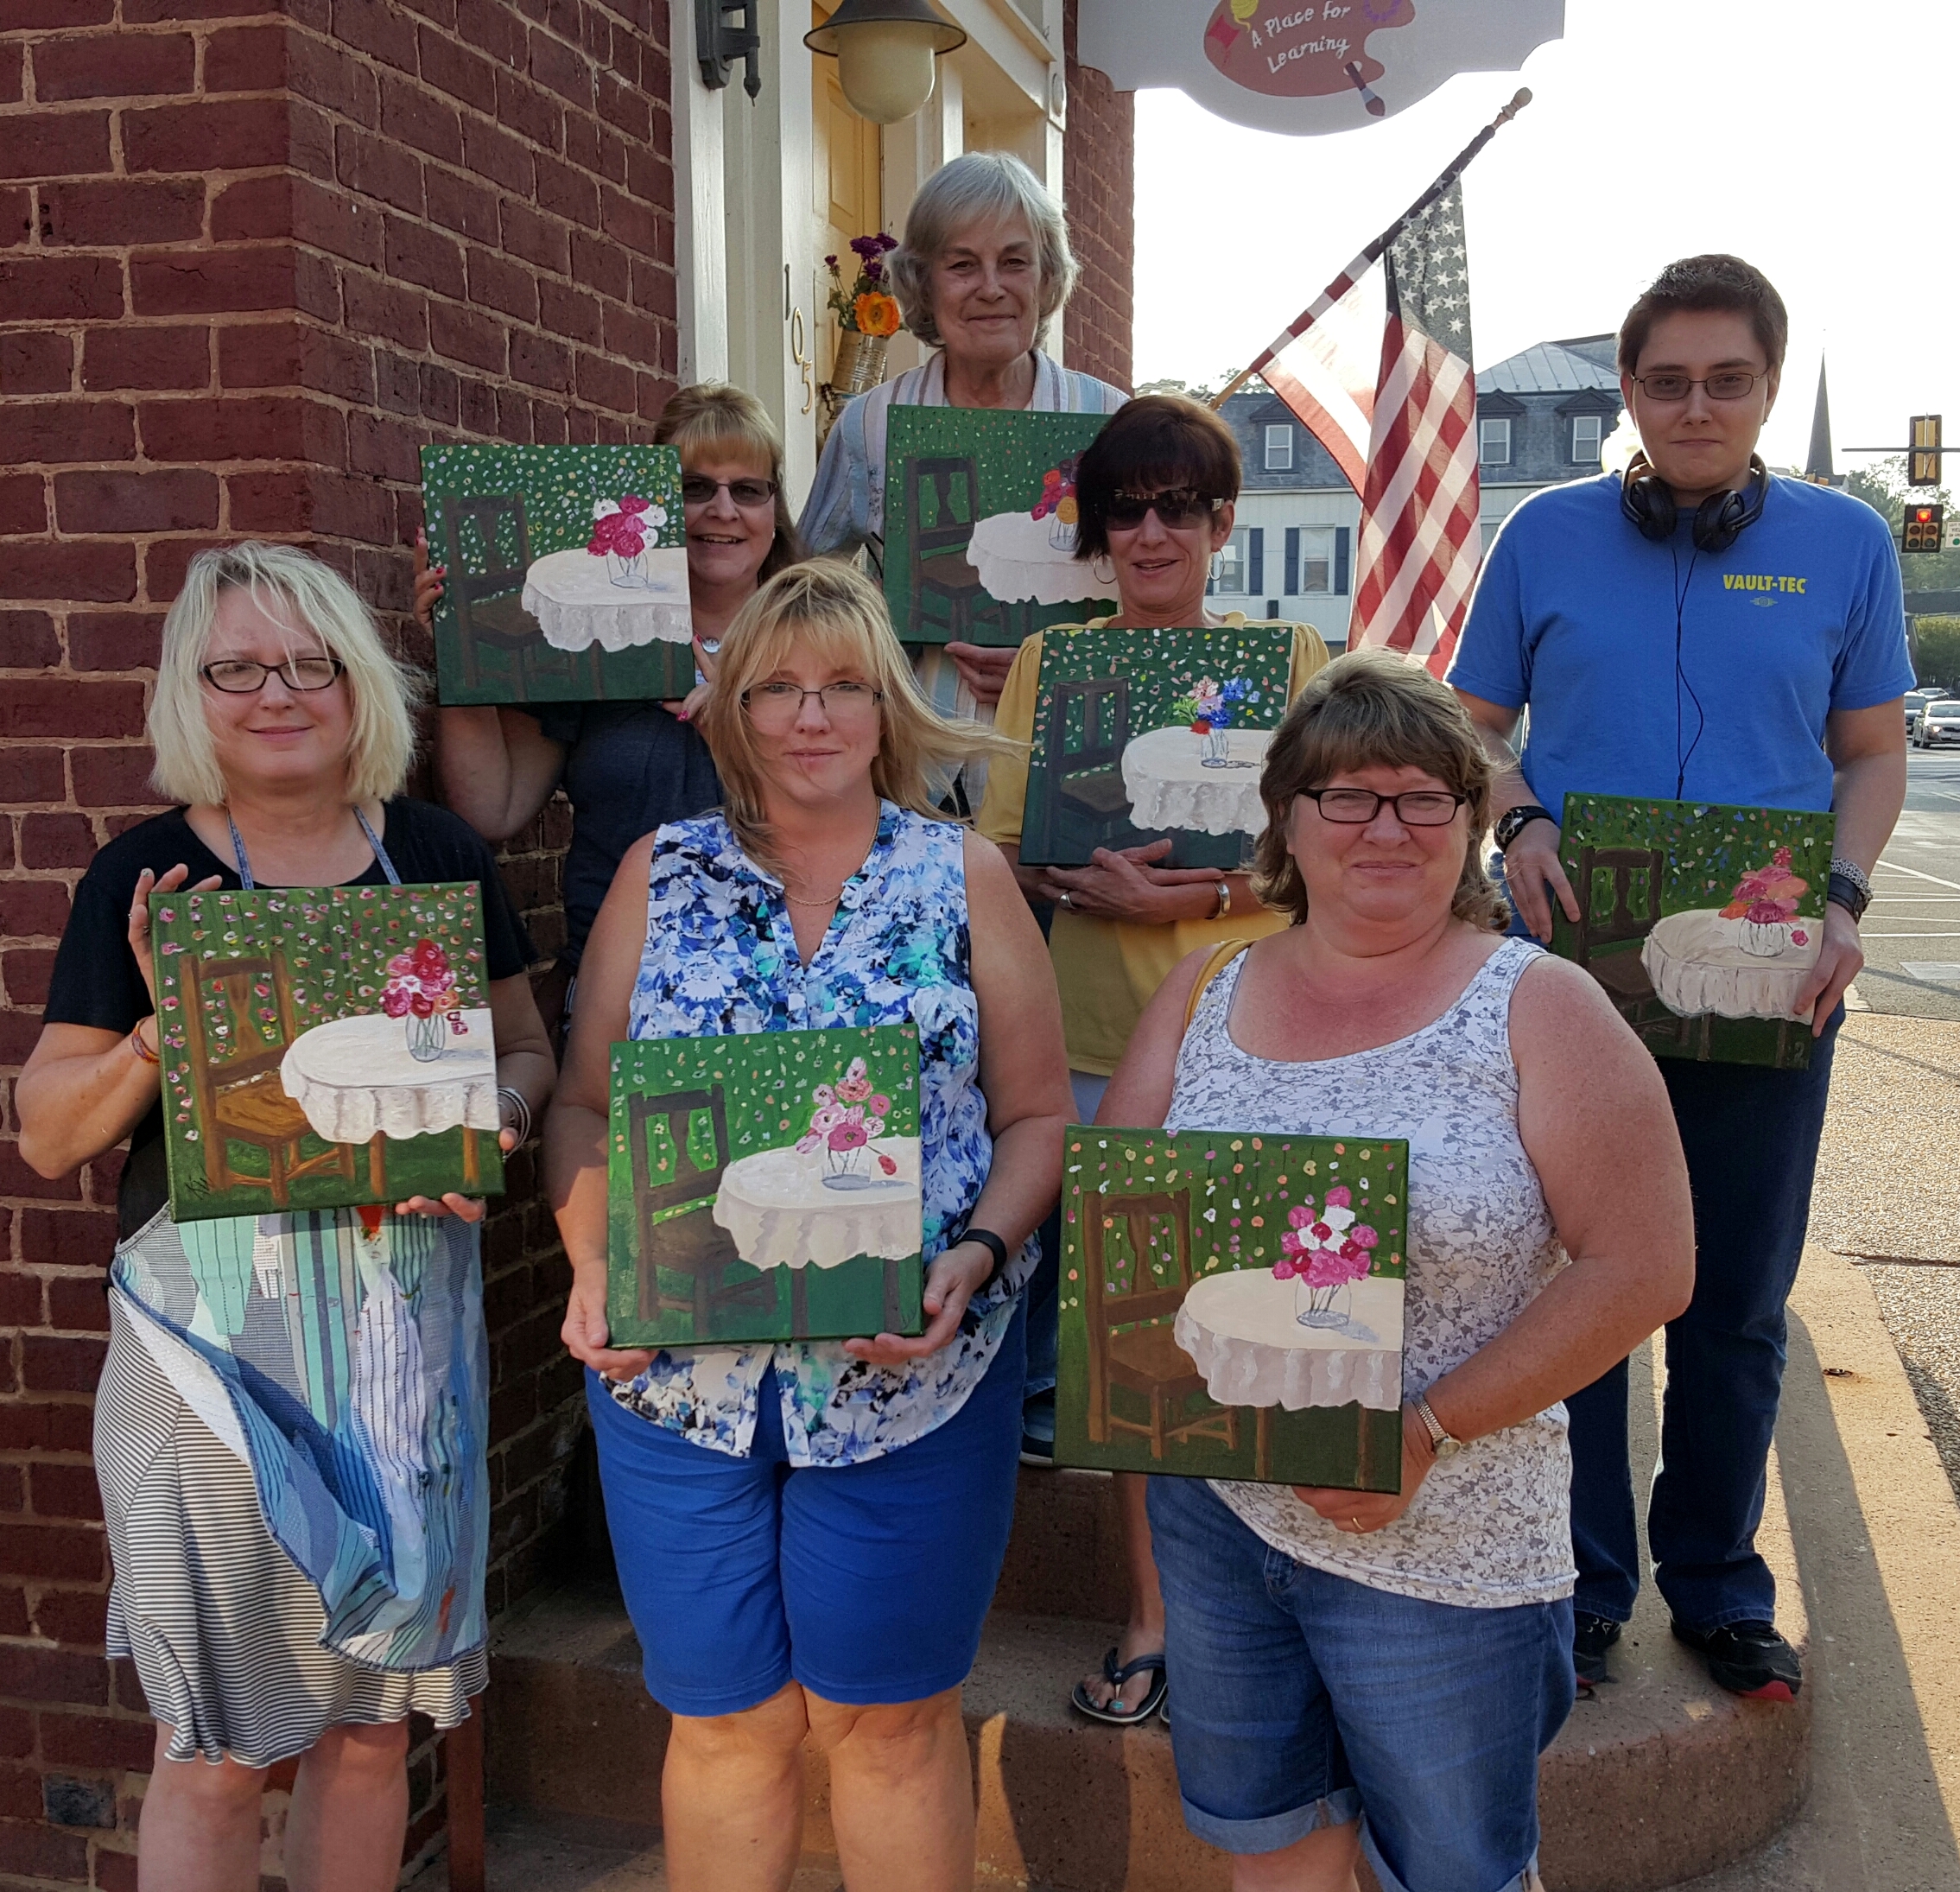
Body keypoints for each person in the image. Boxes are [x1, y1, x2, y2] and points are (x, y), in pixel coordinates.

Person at [15, 544, 555, 1892]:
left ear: (357, 682)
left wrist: (492, 1123)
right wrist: (162, 1027)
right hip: (207, 1354)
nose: (278, 692)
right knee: (216, 1741)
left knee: (369, 1731)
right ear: (188, 694)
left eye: (311, 663)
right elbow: (49, 1133)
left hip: (401, 1345)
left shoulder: (432, 854)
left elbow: (527, 1052)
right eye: (238, 668)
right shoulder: (146, 876)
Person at [1108, 651, 1693, 1892]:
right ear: (1286, 818)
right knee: (1270, 1848)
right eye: (1346, 795)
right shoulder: (1203, 991)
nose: (1386, 826)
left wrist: (1423, 1429)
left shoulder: (1541, 1006)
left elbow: (1644, 1268)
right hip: (1220, 1520)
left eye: (1424, 796)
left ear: (1469, 817)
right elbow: (1126, 1221)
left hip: (1447, 1544)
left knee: (1454, 1874)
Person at [544, 560, 1073, 1892]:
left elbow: (1034, 1117)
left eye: (842, 684)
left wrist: (974, 1256)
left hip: (912, 1374)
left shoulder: (962, 875)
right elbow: (585, 1102)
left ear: (887, 703)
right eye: (775, 687)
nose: (811, 714)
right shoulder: (660, 873)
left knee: (885, 1724)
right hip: (676, 1380)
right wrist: (594, 1263)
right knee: (724, 1722)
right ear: (730, 711)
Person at [1447, 254, 1912, 1700]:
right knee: (1571, 1289)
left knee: (1733, 1303)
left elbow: (1870, 751)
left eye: (1724, 381)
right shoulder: (1543, 533)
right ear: (1627, 394)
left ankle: (1713, 1584)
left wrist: (1842, 898)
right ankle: (1578, 1584)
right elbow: (1469, 722)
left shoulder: (1846, 543)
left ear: (1764, 387)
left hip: (1768, 979)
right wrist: (1517, 820)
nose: (1693, 406)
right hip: (1568, 977)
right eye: (1665, 382)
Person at [973, 391, 1330, 1724]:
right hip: (1082, 1040)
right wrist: (1077, 877)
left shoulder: (1291, 657)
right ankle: (1151, 1616)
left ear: (1221, 523)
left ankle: (1292, 1610)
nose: (1150, 531)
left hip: (1252, 1033)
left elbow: (1329, 847)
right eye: (1124, 509)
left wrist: (1203, 894)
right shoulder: (1050, 663)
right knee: (1131, 1339)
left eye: (1179, 505)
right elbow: (996, 847)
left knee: (1261, 1319)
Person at [423, 382, 805, 1009]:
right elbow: (493, 809)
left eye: (747, 489)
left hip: (784, 979)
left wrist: (736, 733)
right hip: (618, 984)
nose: (722, 510)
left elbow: (871, 810)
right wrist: (460, 652)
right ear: (652, 506)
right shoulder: (593, 636)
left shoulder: (821, 637)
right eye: (693, 488)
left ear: (774, 508)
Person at [798, 149, 1126, 724]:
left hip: (1062, 747)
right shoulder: (869, 424)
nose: (991, 288)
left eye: (1014, 262)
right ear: (922, 283)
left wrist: (1054, 665)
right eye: (962, 265)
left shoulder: (1111, 424)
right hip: (910, 748)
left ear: (1047, 277)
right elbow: (802, 584)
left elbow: (1157, 600)